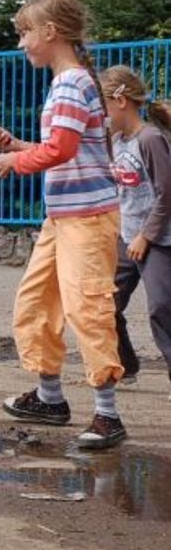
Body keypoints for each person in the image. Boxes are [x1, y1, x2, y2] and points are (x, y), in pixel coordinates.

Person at [0, 0, 126, 449]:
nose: (22, 43)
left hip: (86, 219)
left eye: (25, 32)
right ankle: (49, 399)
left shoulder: (71, 83)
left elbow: (62, 151)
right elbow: (67, 150)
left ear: (51, 32)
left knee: (88, 308)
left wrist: (15, 163)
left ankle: (108, 415)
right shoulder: (70, 82)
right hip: (64, 217)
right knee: (36, 303)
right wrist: (18, 146)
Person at [100, 64, 171, 399]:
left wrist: (147, 236)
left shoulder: (150, 139)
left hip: (160, 240)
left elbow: (167, 192)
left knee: (162, 307)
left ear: (121, 100)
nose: (101, 115)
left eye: (103, 106)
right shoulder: (116, 141)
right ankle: (126, 365)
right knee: (105, 303)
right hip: (126, 236)